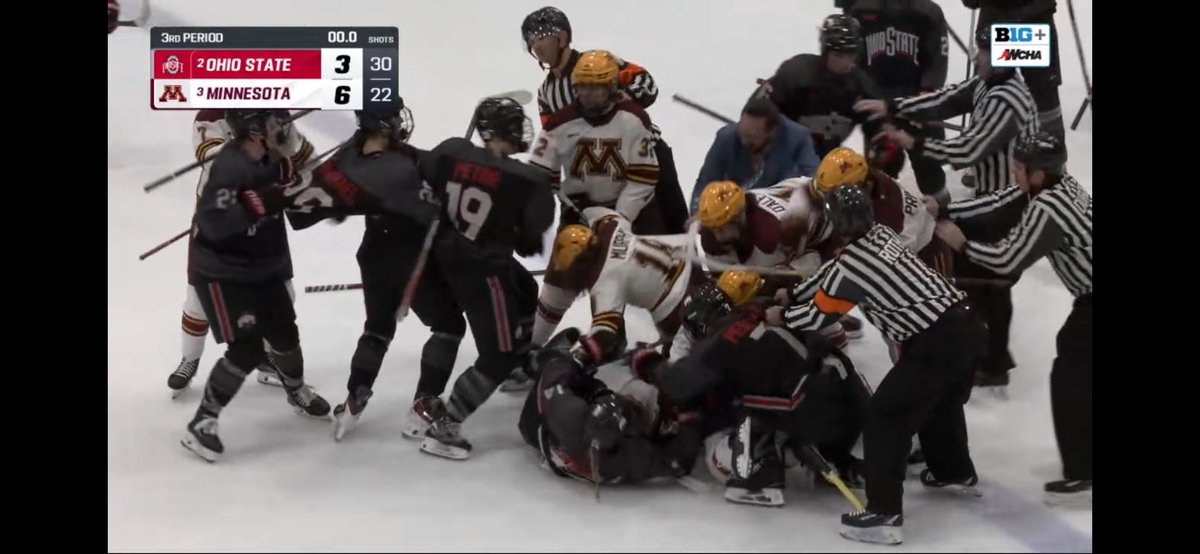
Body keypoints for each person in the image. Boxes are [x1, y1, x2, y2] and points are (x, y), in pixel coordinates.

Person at [768, 184, 985, 545]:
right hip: (967, 326)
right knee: (938, 400)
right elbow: (832, 274)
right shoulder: (882, 235)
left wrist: (784, 313)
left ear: (836, 224)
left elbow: (820, 311)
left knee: (887, 416)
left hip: (936, 339)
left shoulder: (853, 266)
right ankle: (952, 471)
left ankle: (884, 513)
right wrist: (795, 291)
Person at [856, 27, 1039, 387]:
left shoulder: (1008, 99)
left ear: (1002, 57)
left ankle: (991, 358)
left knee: (984, 274)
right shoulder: (989, 84)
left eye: (982, 52)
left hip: (1009, 201)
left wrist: (915, 142)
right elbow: (949, 99)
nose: (975, 57)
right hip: (992, 196)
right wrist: (893, 106)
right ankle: (990, 353)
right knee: (983, 278)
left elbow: (969, 149)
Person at [931, 132, 1091, 505]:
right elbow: (999, 201)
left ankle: (1084, 475)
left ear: (1037, 174)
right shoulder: (1058, 185)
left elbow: (1007, 260)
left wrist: (962, 244)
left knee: (1072, 376)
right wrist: (944, 210)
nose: (1014, 174)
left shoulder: (1049, 207)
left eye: (1019, 168)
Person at [180, 110, 332, 463]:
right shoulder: (228, 169)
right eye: (271, 125)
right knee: (246, 348)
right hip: (224, 272)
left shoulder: (275, 158)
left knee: (285, 333)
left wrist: (325, 201)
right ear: (251, 132)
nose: (281, 129)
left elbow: (301, 201)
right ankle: (202, 422)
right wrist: (257, 204)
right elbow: (214, 225)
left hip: (265, 262)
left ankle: (295, 391)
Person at [633, 284, 871, 508]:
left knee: (728, 429)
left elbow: (677, 383)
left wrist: (644, 360)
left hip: (812, 411)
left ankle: (764, 475)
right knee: (768, 383)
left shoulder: (719, 346)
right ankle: (840, 462)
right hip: (855, 402)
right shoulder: (761, 306)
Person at [319, 101, 471, 442]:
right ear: (381, 124)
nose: (400, 122)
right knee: (449, 326)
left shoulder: (349, 156)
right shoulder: (401, 163)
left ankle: (354, 398)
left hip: (373, 254)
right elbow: (431, 191)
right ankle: (423, 406)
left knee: (377, 328)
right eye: (393, 117)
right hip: (410, 257)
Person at [413, 97, 556, 460]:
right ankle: (446, 426)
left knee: (525, 287)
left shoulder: (451, 152)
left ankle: (521, 365)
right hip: (482, 272)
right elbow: (529, 245)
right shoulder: (528, 180)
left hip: (448, 259)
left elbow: (426, 178)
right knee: (498, 354)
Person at [168, 109, 314, 397]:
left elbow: (303, 161)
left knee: (281, 293)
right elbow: (212, 161)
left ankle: (267, 359)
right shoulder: (210, 115)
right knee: (199, 296)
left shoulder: (278, 113)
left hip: (266, 220)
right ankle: (190, 358)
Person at [522, 7, 688, 233]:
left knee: (673, 224)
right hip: (595, 167)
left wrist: (626, 97)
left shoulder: (598, 63)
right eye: (532, 40)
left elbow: (646, 82)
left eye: (541, 37)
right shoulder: (546, 92)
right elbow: (556, 145)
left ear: (561, 37)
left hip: (642, 154)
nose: (536, 46)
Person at [516, 329, 704, 491]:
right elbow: (675, 460)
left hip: (562, 417)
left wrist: (584, 355)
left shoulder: (565, 410)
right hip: (586, 425)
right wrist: (691, 418)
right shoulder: (622, 459)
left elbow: (554, 373)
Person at [528, 207, 701, 376]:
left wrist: (576, 358)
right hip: (690, 266)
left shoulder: (604, 283)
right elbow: (601, 213)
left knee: (676, 372)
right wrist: (579, 217)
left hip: (676, 307)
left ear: (581, 265)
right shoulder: (609, 227)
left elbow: (604, 336)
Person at [528, 49, 662, 232]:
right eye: (581, 86)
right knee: (569, 255)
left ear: (611, 86)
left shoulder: (634, 119)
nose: (586, 93)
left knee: (652, 256)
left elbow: (644, 177)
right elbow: (538, 171)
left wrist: (622, 215)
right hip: (578, 211)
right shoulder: (559, 124)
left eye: (594, 87)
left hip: (636, 213)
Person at [843, 0, 951, 204]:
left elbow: (938, 61)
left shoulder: (928, 12)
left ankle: (942, 213)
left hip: (917, 101)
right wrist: (867, 96)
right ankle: (882, 219)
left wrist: (924, 101)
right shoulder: (862, 9)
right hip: (877, 103)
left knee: (929, 168)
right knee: (878, 168)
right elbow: (855, 63)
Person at [759, 14, 884, 158]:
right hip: (784, 158)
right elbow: (757, 112)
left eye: (851, 56)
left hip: (828, 164)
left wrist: (883, 144)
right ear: (825, 52)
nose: (845, 63)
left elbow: (878, 126)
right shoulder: (795, 74)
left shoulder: (860, 84)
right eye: (838, 56)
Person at [690, 96, 820, 213]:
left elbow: (812, 177)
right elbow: (706, 180)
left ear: (772, 132)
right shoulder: (726, 138)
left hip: (777, 207)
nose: (744, 141)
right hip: (734, 209)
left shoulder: (797, 138)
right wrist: (699, 214)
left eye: (751, 137)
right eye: (742, 134)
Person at [966, 0, 1066, 144]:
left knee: (992, 102)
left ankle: (989, 160)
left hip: (997, 23)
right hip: (1035, 21)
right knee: (1044, 102)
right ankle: (1052, 160)